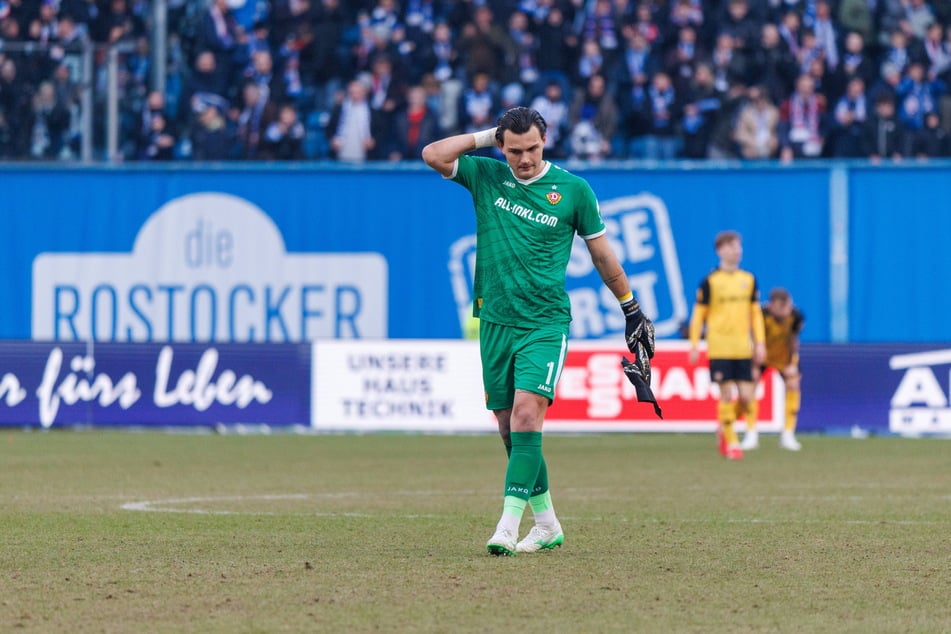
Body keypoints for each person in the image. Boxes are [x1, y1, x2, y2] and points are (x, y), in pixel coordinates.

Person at [421, 106, 653, 556]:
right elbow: (433, 153)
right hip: (494, 321)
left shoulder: (573, 190)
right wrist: (487, 138)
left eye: (532, 148)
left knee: (528, 416)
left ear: (544, 141)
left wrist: (631, 308)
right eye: (514, 150)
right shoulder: (487, 176)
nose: (524, 159)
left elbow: (602, 256)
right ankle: (546, 523)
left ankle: (507, 527)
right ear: (502, 146)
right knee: (511, 431)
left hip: (545, 322)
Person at [687, 230, 766, 460]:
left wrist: (759, 342)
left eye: (739, 246)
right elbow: (699, 315)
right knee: (726, 394)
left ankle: (725, 424)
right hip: (720, 347)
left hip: (743, 347)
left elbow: (755, 314)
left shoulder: (748, 280)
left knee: (746, 397)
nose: (737, 250)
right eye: (732, 246)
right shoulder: (710, 282)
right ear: (720, 250)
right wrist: (693, 344)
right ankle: (732, 443)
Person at [738, 287, 805, 451]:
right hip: (761, 357)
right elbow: (752, 338)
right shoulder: (760, 315)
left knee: (793, 385)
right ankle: (751, 434)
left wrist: (791, 363)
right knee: (749, 390)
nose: (785, 310)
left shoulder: (796, 316)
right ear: (771, 306)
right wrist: (753, 365)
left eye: (787, 305)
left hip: (783, 358)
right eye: (781, 306)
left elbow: (793, 339)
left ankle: (788, 434)